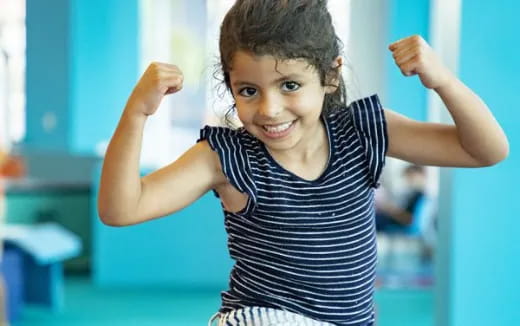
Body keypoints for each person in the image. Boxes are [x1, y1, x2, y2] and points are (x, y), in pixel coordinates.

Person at [98, 1, 509, 325]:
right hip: (259, 318)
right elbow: (121, 209)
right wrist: (136, 113)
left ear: (330, 76)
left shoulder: (362, 129)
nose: (270, 109)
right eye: (248, 90)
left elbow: (485, 150)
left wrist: (444, 81)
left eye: (290, 85)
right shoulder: (226, 157)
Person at [375, 165, 427, 232]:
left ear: (421, 176)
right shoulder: (412, 194)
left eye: (411, 177)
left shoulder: (419, 197)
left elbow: (409, 220)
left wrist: (389, 209)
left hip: (396, 226)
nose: (408, 180)